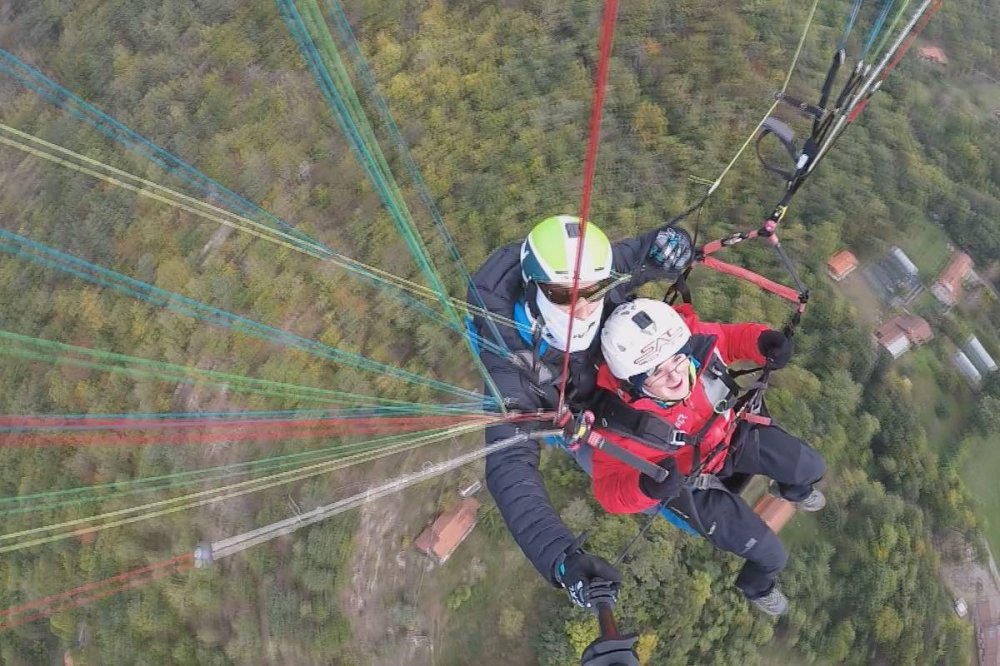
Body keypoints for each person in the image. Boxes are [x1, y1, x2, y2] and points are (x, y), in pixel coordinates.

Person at [467, 214, 693, 608]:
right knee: (651, 472)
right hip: (572, 416)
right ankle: (688, 506)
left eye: (596, 290)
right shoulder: (509, 364)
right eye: (564, 295)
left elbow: (640, 254)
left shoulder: (595, 273)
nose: (585, 307)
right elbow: (509, 465)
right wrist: (561, 559)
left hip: (614, 381)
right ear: (534, 287)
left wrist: (671, 244)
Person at [588, 298, 827, 615]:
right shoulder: (619, 424)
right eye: (656, 373)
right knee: (771, 556)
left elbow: (727, 340)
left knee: (811, 467)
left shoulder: (690, 340)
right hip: (692, 485)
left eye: (677, 361)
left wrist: (761, 342)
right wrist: (645, 487)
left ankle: (791, 490)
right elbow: (608, 490)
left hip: (730, 437)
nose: (675, 377)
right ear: (633, 383)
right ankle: (756, 587)